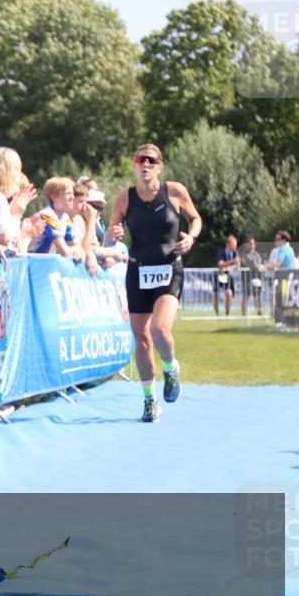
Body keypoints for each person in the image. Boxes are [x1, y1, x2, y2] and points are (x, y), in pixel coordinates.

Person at [107, 144, 202, 423]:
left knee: (160, 329)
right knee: (143, 339)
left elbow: (195, 219)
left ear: (159, 166)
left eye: (151, 160)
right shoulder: (124, 198)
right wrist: (114, 232)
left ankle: (171, 368)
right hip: (137, 271)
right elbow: (113, 232)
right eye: (140, 160)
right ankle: (150, 400)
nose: (145, 164)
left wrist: (191, 237)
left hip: (169, 269)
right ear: (135, 166)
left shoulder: (174, 191)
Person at [214, 235, 239, 316]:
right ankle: (217, 314)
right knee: (216, 294)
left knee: (229, 294)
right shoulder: (221, 251)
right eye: (234, 244)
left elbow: (237, 264)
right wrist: (232, 262)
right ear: (228, 244)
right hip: (220, 274)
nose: (235, 246)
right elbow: (220, 265)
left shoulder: (235, 252)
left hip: (228, 275)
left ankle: (227, 314)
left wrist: (228, 266)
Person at [241, 236, 264, 316]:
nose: (251, 245)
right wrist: (253, 266)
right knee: (246, 296)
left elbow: (260, 264)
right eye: (250, 244)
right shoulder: (243, 254)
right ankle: (243, 314)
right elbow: (244, 264)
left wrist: (259, 267)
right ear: (246, 245)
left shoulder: (257, 255)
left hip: (257, 278)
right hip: (247, 278)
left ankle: (259, 312)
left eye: (253, 244)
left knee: (258, 296)